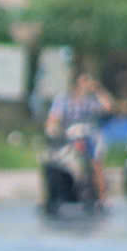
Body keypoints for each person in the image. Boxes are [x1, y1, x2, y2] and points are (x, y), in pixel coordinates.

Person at [45, 70, 114, 202]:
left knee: (96, 162)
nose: (86, 86)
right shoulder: (63, 99)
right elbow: (53, 117)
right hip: (68, 135)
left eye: (88, 82)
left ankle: (102, 198)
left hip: (90, 135)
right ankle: (51, 196)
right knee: (50, 159)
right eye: (83, 82)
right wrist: (51, 128)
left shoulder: (92, 99)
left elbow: (108, 107)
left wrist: (98, 90)